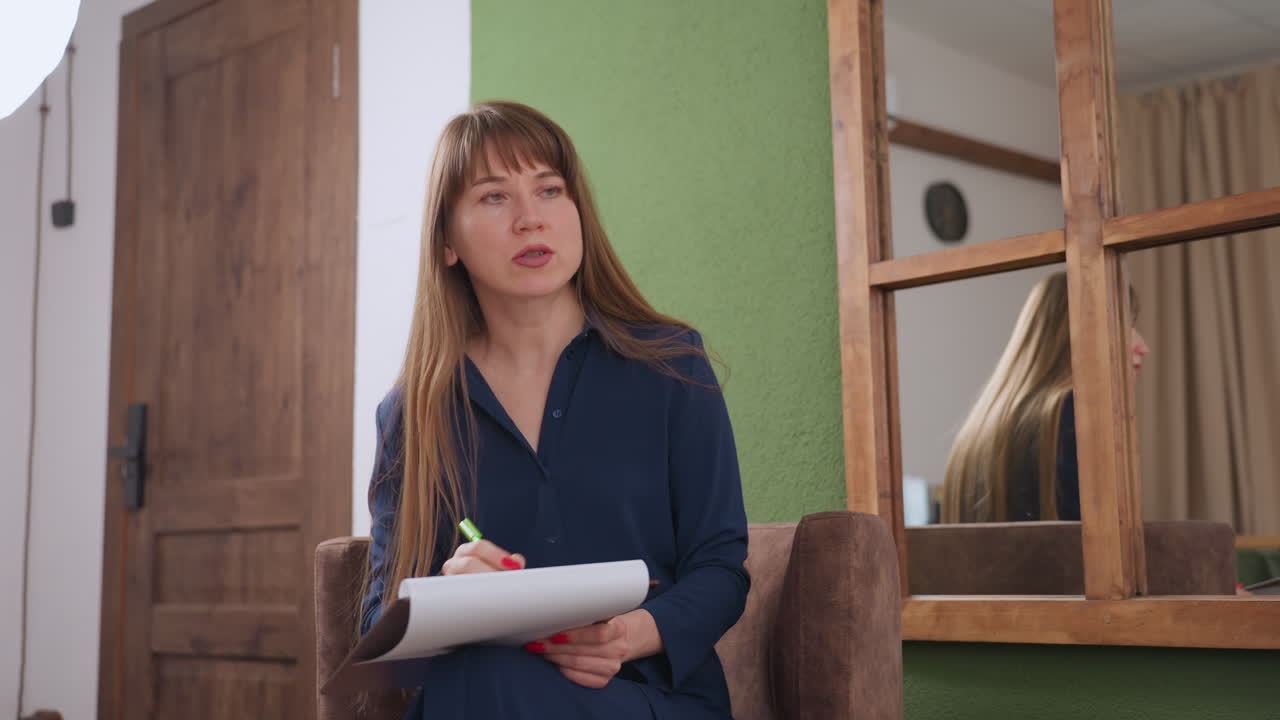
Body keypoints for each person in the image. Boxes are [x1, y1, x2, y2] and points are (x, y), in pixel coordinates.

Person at [358, 101, 750, 720]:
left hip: (648, 698)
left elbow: (721, 568)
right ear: (447, 242)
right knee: (483, 675)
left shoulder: (671, 365)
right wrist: (449, 601)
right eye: (494, 197)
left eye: (549, 190)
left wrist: (628, 635)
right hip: (482, 691)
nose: (530, 218)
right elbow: (378, 627)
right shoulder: (412, 413)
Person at [941, 271, 1150, 523]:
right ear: (1080, 333)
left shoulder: (977, 430)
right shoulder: (1074, 412)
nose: (1143, 347)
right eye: (1126, 326)